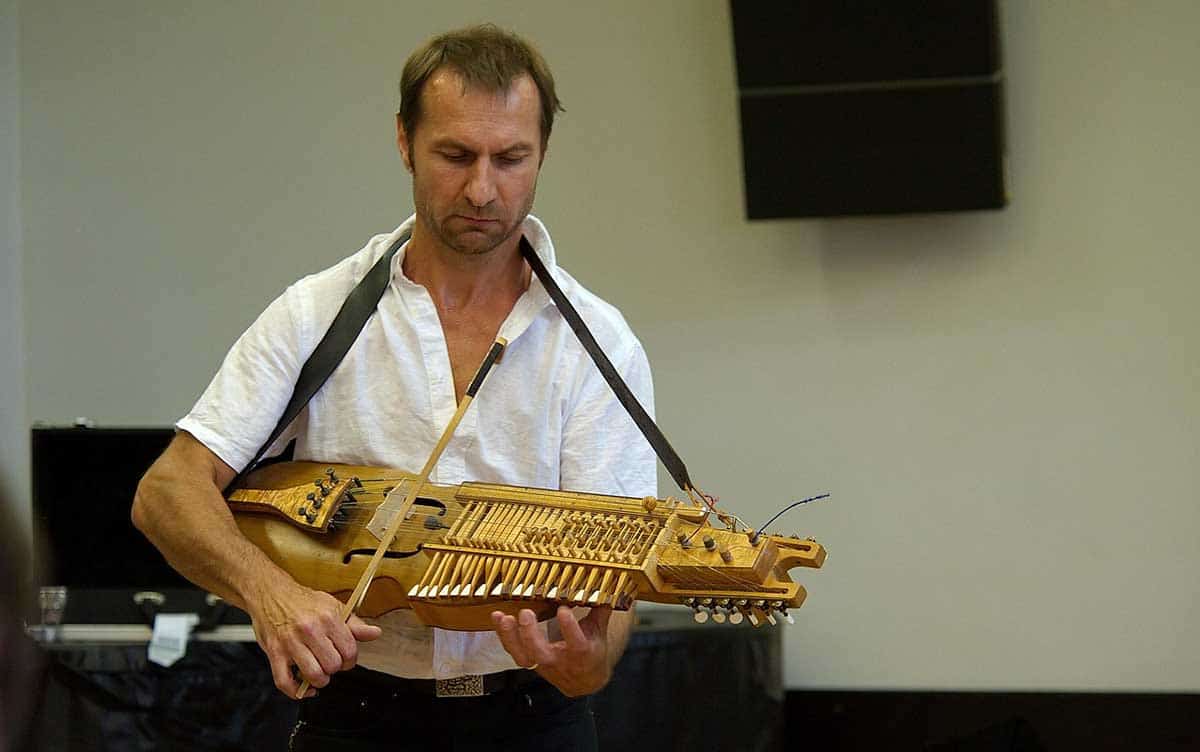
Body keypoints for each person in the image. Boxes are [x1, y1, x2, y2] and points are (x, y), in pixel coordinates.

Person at [132, 23, 656, 751]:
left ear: (542, 155)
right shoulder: (316, 313)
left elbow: (615, 579)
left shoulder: (599, 343)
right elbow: (167, 492)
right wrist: (272, 594)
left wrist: (592, 659)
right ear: (405, 141)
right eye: (454, 154)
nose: (481, 188)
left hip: (533, 720)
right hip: (356, 716)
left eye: (511, 158)